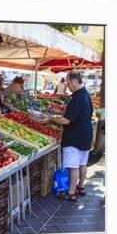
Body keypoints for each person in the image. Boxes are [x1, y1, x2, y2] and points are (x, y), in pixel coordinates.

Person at [41, 72, 93, 201]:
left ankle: (71, 192)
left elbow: (67, 120)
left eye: (69, 83)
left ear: (75, 82)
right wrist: (58, 111)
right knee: (82, 164)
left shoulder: (77, 98)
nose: (67, 86)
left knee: (73, 166)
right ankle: (80, 187)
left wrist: (50, 119)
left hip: (74, 137)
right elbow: (75, 112)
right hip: (85, 134)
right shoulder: (85, 94)